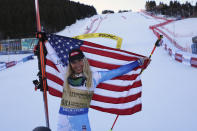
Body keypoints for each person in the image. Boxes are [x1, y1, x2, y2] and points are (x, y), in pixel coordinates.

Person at [57, 49, 150, 131]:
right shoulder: (65, 74)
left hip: (81, 123)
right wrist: (44, 41)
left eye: (79, 61)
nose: (77, 65)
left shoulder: (94, 77)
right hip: (63, 122)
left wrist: (138, 63)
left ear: (84, 60)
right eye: (74, 62)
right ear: (70, 64)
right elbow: (53, 55)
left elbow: (117, 72)